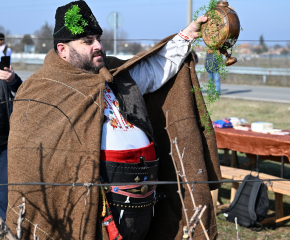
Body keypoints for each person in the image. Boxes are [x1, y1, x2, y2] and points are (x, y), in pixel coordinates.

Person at [6, 1, 221, 240]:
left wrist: (187, 35)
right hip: (99, 205)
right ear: (63, 49)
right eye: (87, 41)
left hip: (145, 196)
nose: (98, 46)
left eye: (98, 38)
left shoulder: (114, 75)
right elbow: (30, 160)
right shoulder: (43, 89)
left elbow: (154, 70)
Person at [0, 66, 22, 222]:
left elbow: (23, 93)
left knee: (5, 192)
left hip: (5, 143)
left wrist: (12, 80)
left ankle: (5, 229)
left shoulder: (2, 73)